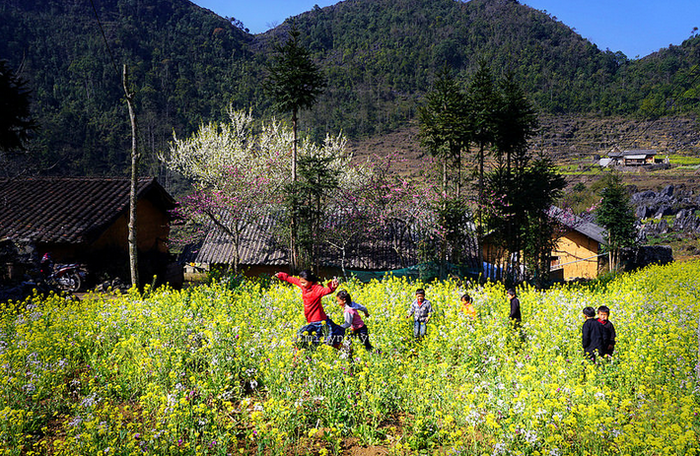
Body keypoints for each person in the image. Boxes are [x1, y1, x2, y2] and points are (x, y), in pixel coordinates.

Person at [274, 270, 341, 348]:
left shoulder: (317, 289)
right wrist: (281, 275)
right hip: (312, 321)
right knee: (307, 341)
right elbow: (292, 279)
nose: (302, 284)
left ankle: (346, 351)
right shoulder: (304, 286)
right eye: (301, 282)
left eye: (304, 282)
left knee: (325, 342)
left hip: (320, 322)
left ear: (311, 281)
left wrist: (332, 287)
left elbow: (327, 290)